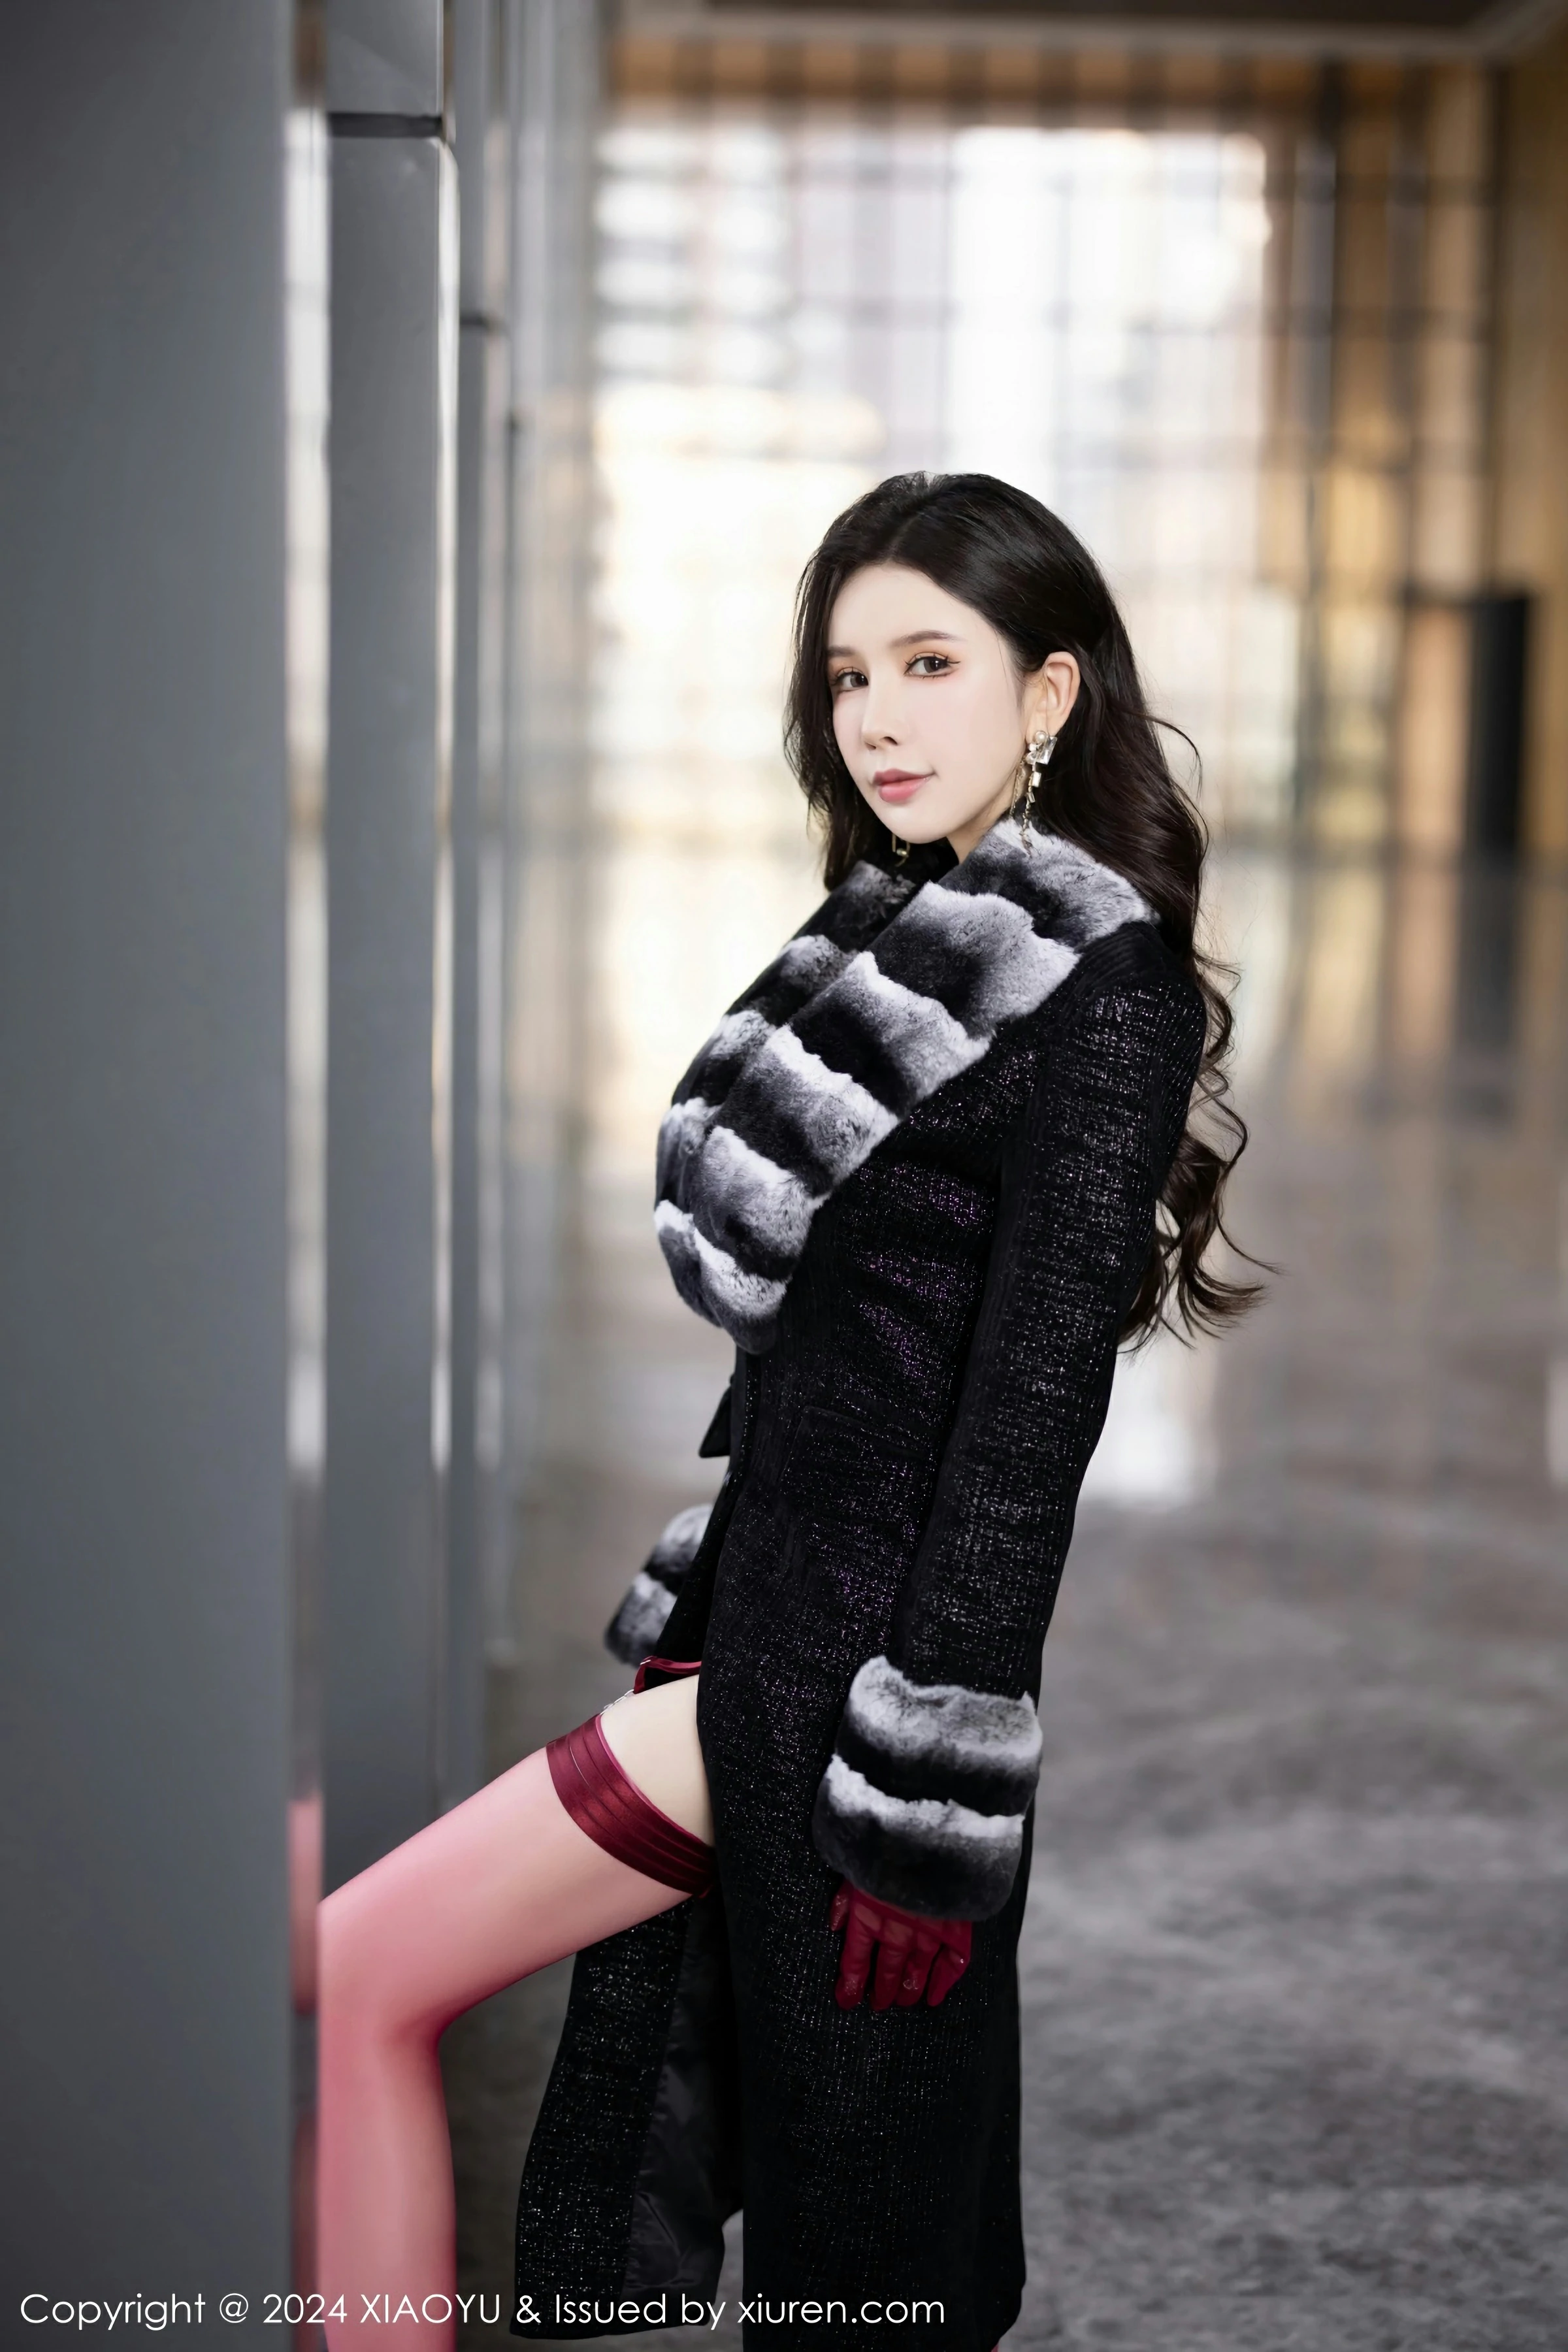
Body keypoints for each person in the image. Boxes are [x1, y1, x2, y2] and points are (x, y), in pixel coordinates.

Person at [318, 472, 1256, 2351]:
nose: (880, 717)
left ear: (1050, 691)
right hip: (744, 1643)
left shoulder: (1104, 995)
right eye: (848, 676)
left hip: (851, 1697)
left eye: (931, 664)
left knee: (843, 2244)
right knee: (522, 2069)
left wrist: (927, 1796)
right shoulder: (895, 923)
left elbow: (1026, 1432)